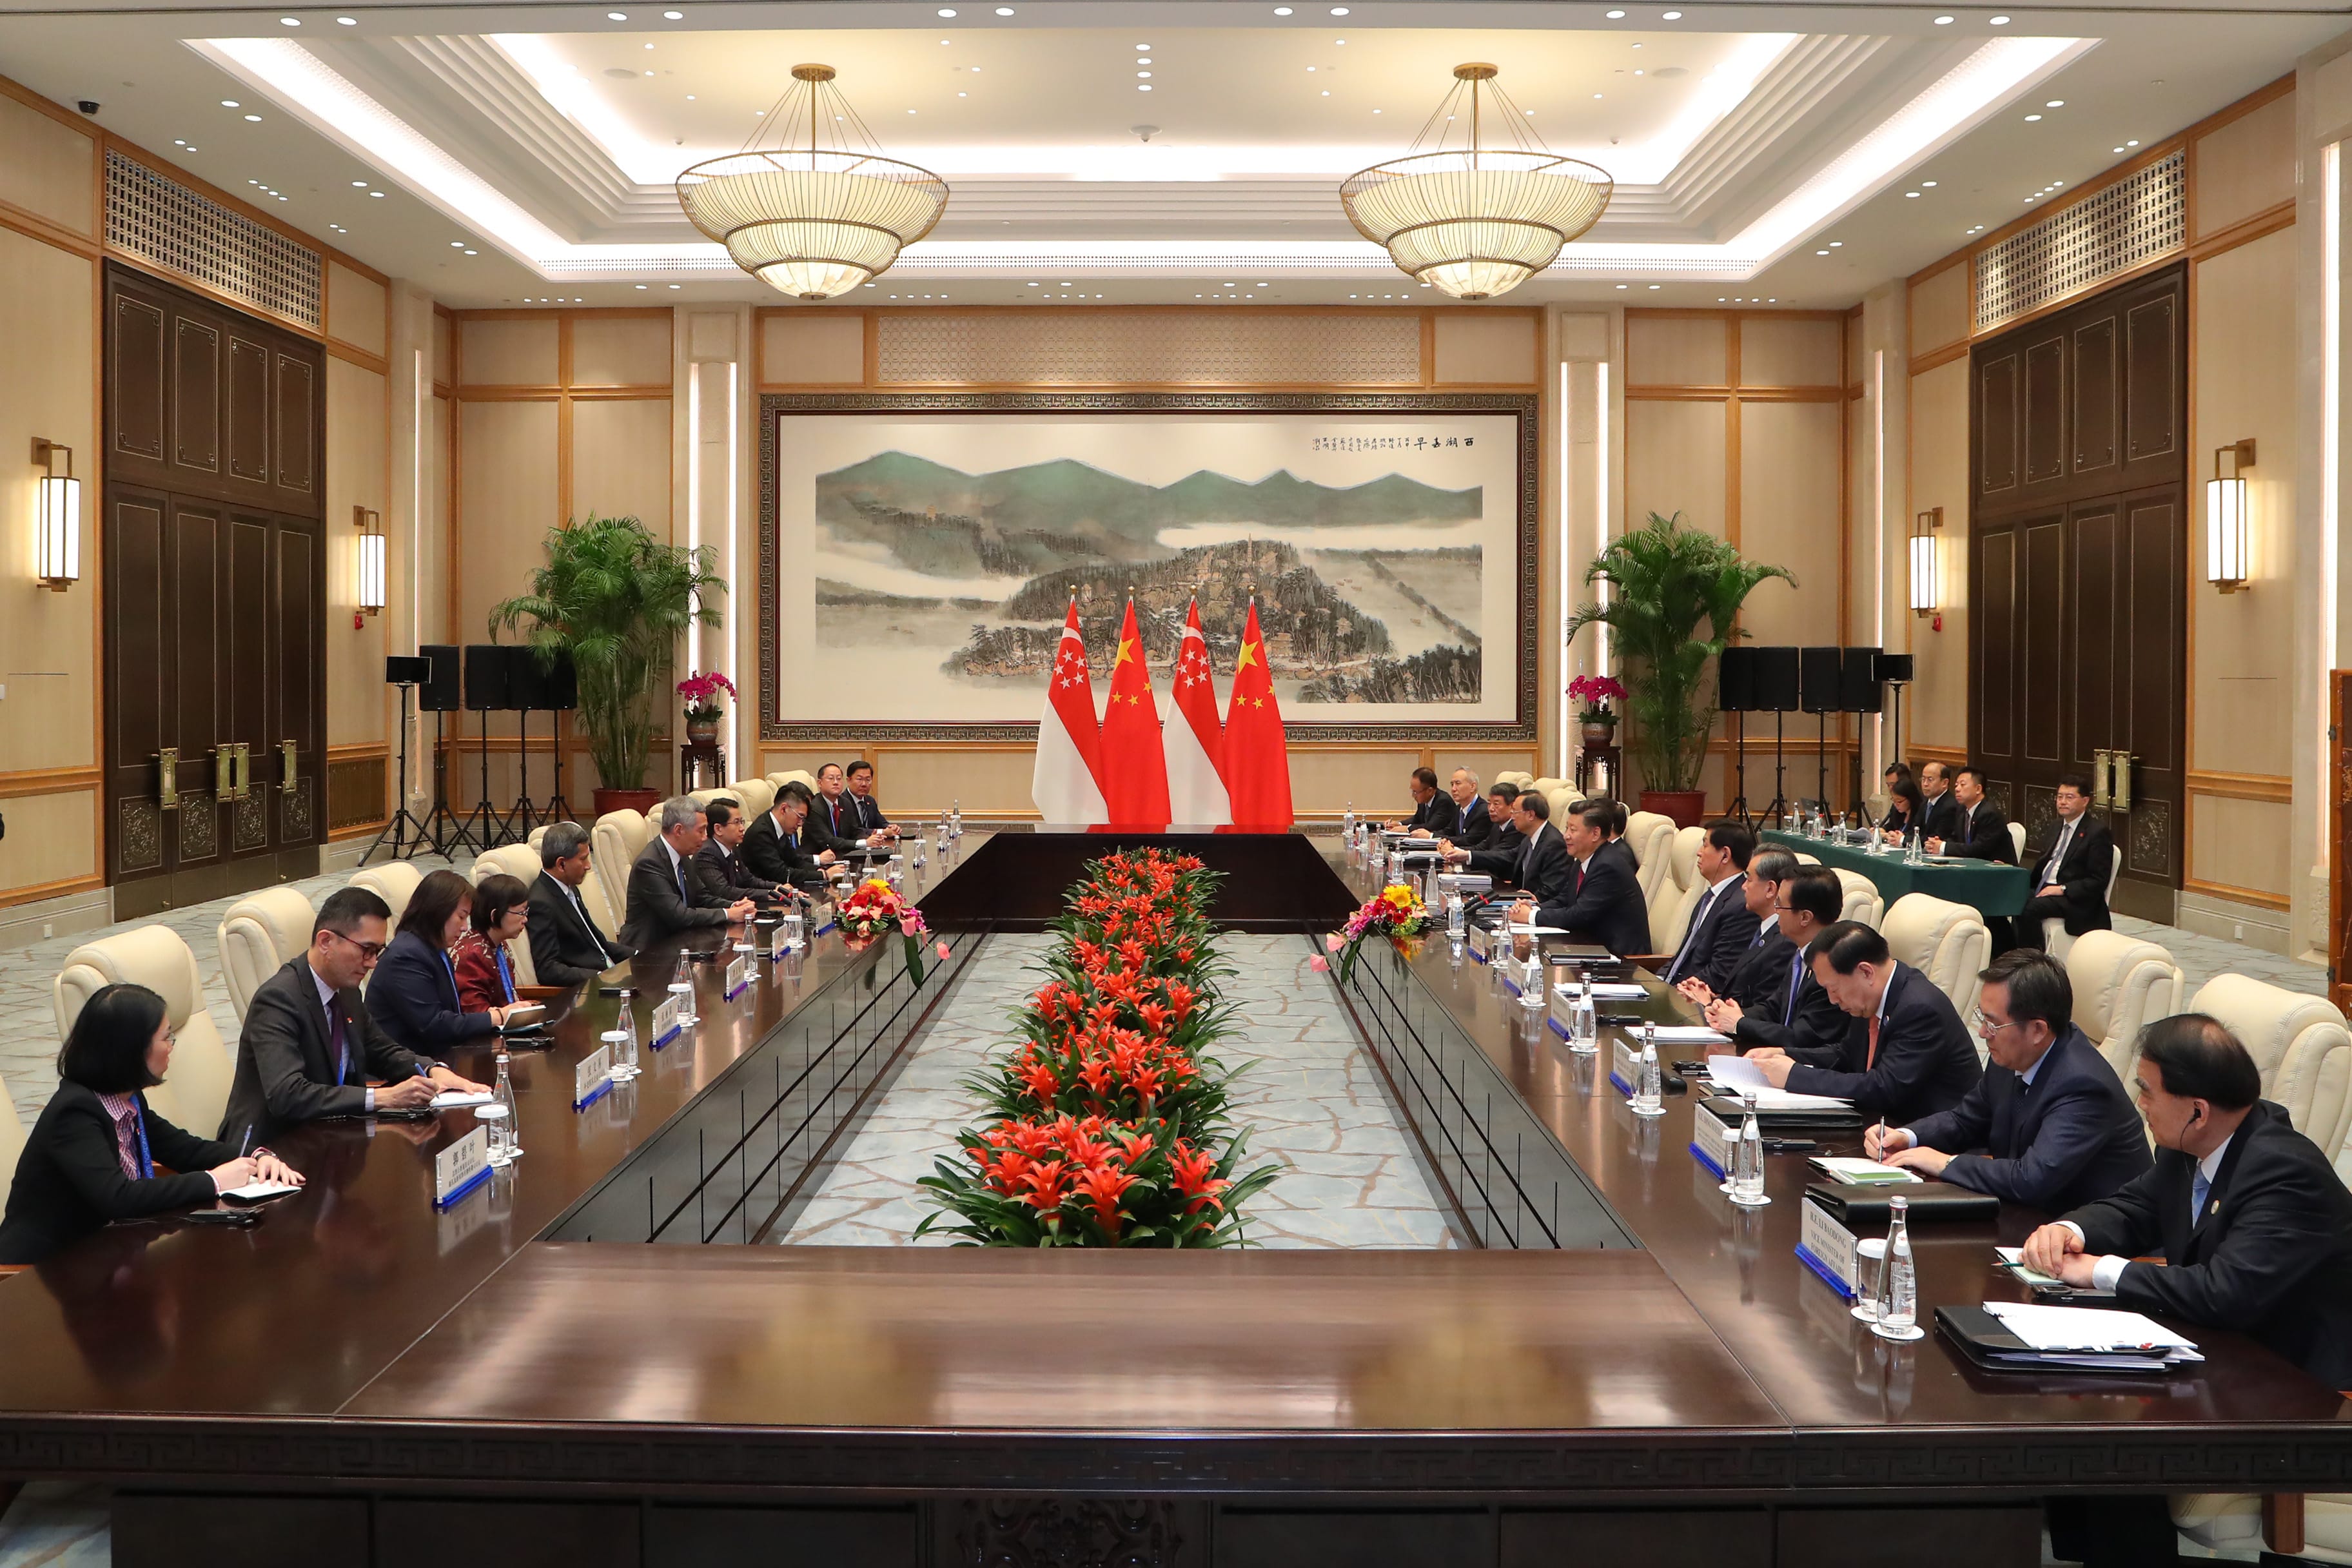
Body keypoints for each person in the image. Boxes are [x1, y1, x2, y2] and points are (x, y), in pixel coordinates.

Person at [2024, 1013, 2352, 1386]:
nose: (2140, 1103)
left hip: (2309, 1386)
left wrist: (2100, 1270)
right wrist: (2070, 1231)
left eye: (2147, 1090)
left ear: (2198, 1111)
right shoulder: (2188, 1144)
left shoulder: (2284, 1173)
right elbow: (2136, 1209)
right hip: (2226, 1353)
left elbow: (2224, 1292)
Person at [0, 983, 306, 1264]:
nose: (172, 1045)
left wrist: (257, 1156)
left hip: (108, 1253)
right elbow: (118, 1197)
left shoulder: (127, 1099)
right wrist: (214, 1180)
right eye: (165, 1037)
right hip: (45, 1271)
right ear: (131, 1050)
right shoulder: (74, 1113)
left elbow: (186, 1150)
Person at [1868, 950, 2150, 1211]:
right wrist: (1907, 1137)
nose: (1982, 1032)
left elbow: (2032, 1178)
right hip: (2026, 1216)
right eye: (1982, 1017)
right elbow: (1966, 1121)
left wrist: (1945, 1163)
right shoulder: (2010, 1054)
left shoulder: (2084, 1086)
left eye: (1992, 1023)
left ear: (2038, 1030)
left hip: (2089, 1240)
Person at [219, 887, 489, 1141]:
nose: (372, 963)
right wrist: (384, 1097)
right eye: (366, 950)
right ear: (326, 941)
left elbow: (382, 1051)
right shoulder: (278, 1000)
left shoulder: (346, 991)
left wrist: (433, 1070)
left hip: (332, 1135)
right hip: (271, 1149)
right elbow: (287, 1095)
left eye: (378, 952)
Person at [1745, 920, 1983, 1121]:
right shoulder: (1869, 998)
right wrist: (1785, 1054)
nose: (1832, 999)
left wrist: (1795, 1075)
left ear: (1866, 972)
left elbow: (1884, 1087)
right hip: (1877, 1124)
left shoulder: (1920, 1008)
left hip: (1925, 1136)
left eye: (1834, 988)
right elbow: (1845, 1054)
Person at [1698, 865, 1847, 1055]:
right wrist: (1730, 1012)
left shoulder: (1832, 967)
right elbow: (1773, 1008)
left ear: (1805, 918)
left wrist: (1740, 1024)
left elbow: (1803, 1037)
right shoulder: (1801, 954)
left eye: (1780, 905)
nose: (1776, 911)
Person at [366, 868, 516, 1055]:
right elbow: (433, 1024)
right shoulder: (405, 956)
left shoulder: (431, 949)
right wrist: (497, 1016)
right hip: (410, 1070)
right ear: (438, 910)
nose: (464, 927)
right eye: (461, 917)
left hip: (441, 1058)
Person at [1512, 799, 1648, 957]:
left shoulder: (1608, 866)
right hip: (1590, 947)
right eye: (1567, 828)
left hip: (1620, 959)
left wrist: (1530, 916)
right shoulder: (1584, 860)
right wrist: (1534, 907)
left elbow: (1579, 915)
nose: (1566, 836)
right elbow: (1564, 899)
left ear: (1595, 834)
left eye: (1573, 830)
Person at [620, 795, 755, 948]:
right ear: (679, 830)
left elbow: (702, 897)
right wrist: (727, 914)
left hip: (681, 942)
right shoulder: (649, 864)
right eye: (701, 831)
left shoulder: (683, 855)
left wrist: (734, 906)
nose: (705, 838)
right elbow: (679, 915)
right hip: (650, 951)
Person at [2012, 774, 2115, 952]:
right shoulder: (2055, 826)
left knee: (2029, 909)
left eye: (2069, 797)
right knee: (2010, 899)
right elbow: (2044, 865)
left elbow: (2098, 880)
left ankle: (2033, 961)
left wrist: (2063, 889)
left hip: (2073, 897)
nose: (2063, 802)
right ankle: (2009, 953)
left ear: (2085, 801)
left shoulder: (2097, 832)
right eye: (2059, 797)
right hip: (2045, 887)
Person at [527, 821, 635, 987]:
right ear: (561, 864)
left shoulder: (570, 889)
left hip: (609, 976)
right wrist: (599, 977)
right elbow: (547, 969)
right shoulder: (540, 903)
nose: (588, 866)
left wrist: (640, 956)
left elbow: (598, 945)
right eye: (583, 859)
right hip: (589, 991)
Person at [1658, 821, 1761, 990]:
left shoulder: (1740, 907)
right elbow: (1683, 957)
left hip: (1691, 1000)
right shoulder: (1708, 897)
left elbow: (1719, 974)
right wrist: (1657, 981)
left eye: (1705, 845)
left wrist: (1672, 991)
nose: (1699, 853)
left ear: (1725, 856)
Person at [1444, 790, 1573, 902]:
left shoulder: (1553, 843)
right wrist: (1466, 855)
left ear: (1531, 815)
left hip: (1534, 907)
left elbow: (1551, 891)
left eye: (1515, 812)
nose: (1512, 816)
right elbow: (1510, 856)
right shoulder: (1531, 837)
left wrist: (1525, 904)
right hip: (1518, 897)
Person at [452, 873, 531, 1013]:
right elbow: (476, 1012)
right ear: (495, 916)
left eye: (526, 912)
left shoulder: (499, 945)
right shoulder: (472, 955)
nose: (525, 919)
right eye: (521, 913)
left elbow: (508, 998)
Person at [742, 782, 830, 894]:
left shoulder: (778, 826)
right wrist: (823, 875)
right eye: (800, 817)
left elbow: (795, 861)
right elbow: (780, 873)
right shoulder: (761, 832)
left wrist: (820, 871)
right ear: (784, 809)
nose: (801, 824)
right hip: (762, 896)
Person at [694, 797, 783, 905]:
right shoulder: (706, 854)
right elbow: (724, 892)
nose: (742, 828)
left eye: (742, 822)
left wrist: (778, 887)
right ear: (718, 829)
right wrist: (770, 894)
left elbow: (749, 880)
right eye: (736, 822)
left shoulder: (733, 848)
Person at [1927, 765, 2015, 862]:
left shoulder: (1990, 814)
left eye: (1963, 785)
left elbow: (1978, 850)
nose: (1957, 789)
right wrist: (1937, 844)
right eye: (1956, 785)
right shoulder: (1962, 810)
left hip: (1999, 870)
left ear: (1978, 789)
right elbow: (1956, 838)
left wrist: (1943, 847)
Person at [806, 763, 884, 856]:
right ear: (820, 783)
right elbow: (830, 842)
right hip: (818, 860)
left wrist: (872, 840)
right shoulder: (814, 808)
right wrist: (865, 843)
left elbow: (855, 831)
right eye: (831, 778)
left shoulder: (845, 803)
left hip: (843, 857)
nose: (836, 782)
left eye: (839, 779)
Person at [1411, 768, 1491, 848]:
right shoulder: (1458, 809)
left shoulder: (1483, 812)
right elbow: (1449, 831)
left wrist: (1431, 836)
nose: (1453, 789)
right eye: (1452, 784)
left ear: (1472, 787)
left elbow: (1468, 841)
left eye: (1458, 784)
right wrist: (1428, 835)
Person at [844, 760, 897, 843]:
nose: (864, 784)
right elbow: (854, 831)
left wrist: (891, 827)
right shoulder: (842, 802)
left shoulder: (870, 800)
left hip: (873, 847)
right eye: (859, 779)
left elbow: (881, 823)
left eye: (868, 780)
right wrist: (882, 832)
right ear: (849, 780)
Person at [1384, 767, 1444, 834]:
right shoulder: (1424, 800)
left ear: (1430, 791)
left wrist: (1407, 829)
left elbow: (1431, 827)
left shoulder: (1443, 802)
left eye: (1416, 792)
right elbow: (1417, 819)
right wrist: (1399, 824)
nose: (1413, 796)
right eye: (1413, 791)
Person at [1879, 774, 1928, 841]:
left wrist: (1888, 835)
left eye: (1899, 801)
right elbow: (1891, 826)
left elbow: (1914, 835)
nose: (1896, 805)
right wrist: (1881, 830)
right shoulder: (1895, 809)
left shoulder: (1921, 811)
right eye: (1894, 800)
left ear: (1910, 799)